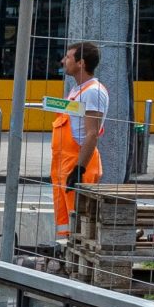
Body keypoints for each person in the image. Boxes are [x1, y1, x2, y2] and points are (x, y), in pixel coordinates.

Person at [48, 40, 107, 240]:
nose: (64, 60)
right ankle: (67, 257)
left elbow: (92, 133)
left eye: (68, 57)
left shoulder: (93, 92)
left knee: (80, 222)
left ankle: (76, 261)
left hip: (77, 163)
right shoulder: (77, 90)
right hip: (64, 164)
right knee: (67, 221)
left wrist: (79, 169)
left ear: (81, 63)